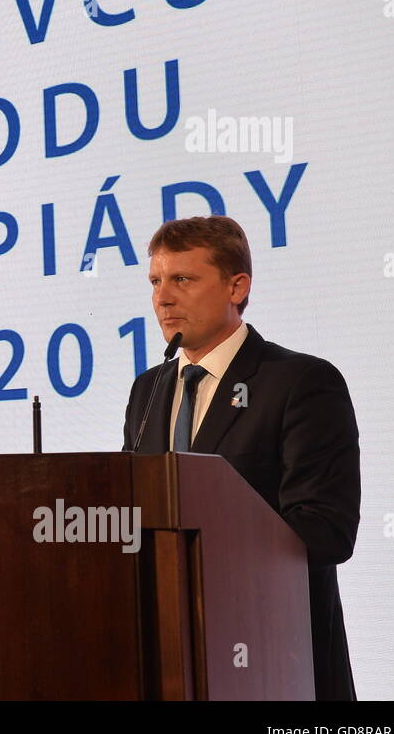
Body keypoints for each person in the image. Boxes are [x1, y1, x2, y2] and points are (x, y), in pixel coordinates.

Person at [121, 215, 360, 701]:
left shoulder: (299, 382)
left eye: (182, 279)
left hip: (275, 658)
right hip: (166, 658)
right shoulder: (149, 390)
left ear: (236, 287)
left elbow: (326, 530)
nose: (162, 298)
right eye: (156, 282)